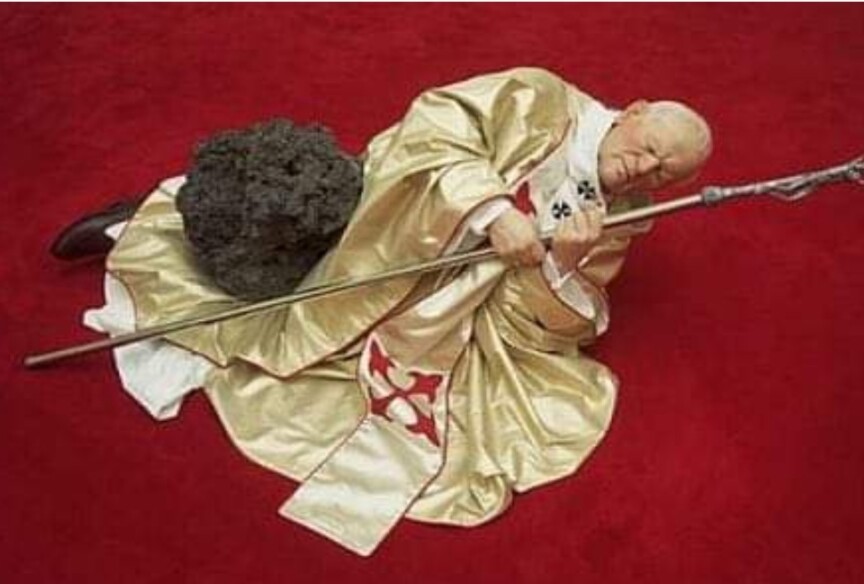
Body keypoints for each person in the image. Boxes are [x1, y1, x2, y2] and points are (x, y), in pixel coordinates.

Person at [69, 67, 712, 555]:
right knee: (278, 294)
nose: (644, 169)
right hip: (393, 234)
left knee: (497, 410)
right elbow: (434, 125)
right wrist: (492, 211)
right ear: (633, 111)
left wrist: (559, 266)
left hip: (448, 310)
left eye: (663, 173)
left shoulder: (627, 215)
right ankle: (138, 227)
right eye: (649, 147)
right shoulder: (540, 98)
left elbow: (557, 325)